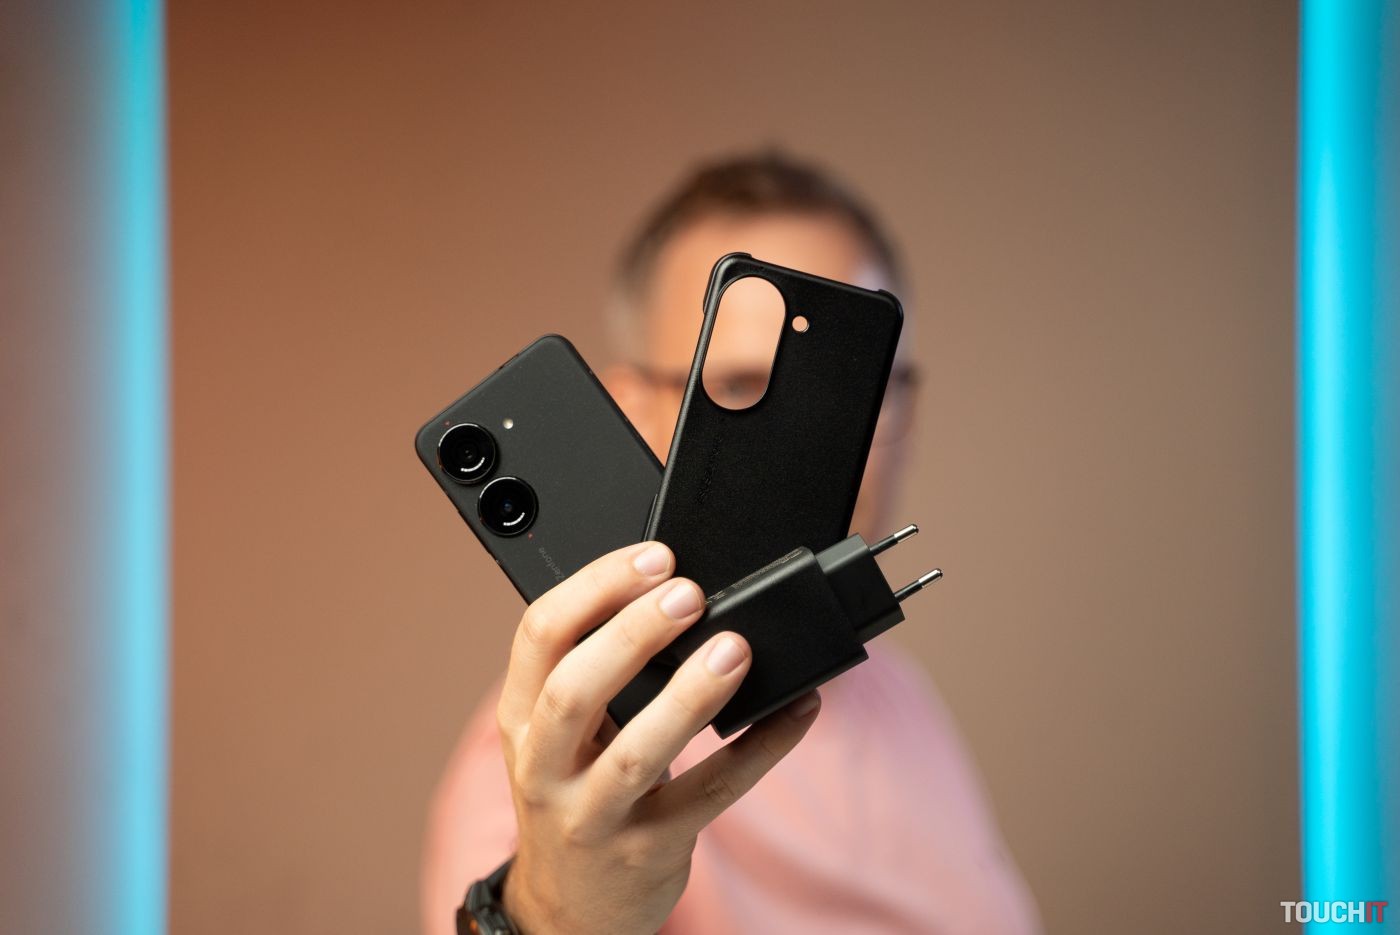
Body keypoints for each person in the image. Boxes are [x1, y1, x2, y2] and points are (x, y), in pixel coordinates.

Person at [421, 152, 1041, 934]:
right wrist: (546, 912)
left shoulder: (899, 693)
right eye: (745, 385)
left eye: (860, 387)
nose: (819, 447)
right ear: (633, 410)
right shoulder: (566, 759)